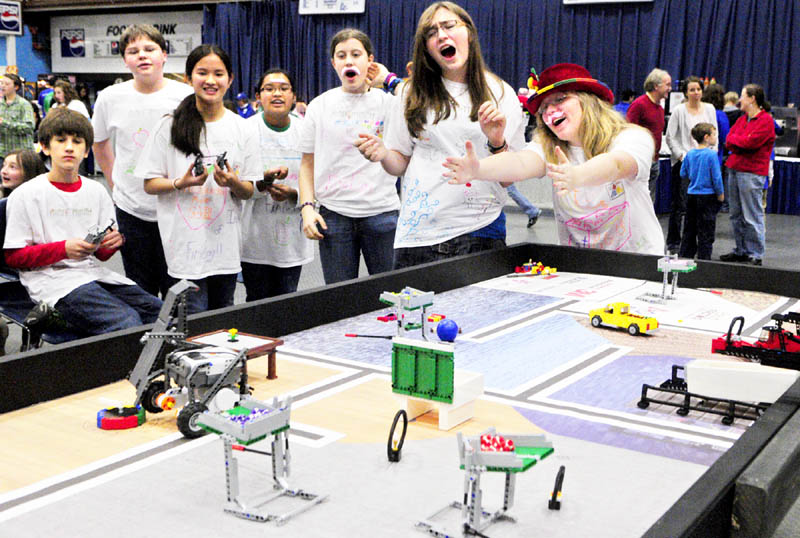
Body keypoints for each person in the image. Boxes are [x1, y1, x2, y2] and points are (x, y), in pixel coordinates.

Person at [354, 2, 525, 268]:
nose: (441, 35)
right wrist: (383, 154)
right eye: (431, 32)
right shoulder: (412, 94)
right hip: (417, 236)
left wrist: (497, 142)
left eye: (449, 26)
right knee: (414, 310)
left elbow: (509, 179)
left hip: (479, 230)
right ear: (426, 48)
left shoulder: (500, 93)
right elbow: (400, 162)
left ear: (469, 32)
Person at [442, 62, 665, 256]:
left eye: (560, 99)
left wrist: (578, 175)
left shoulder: (632, 137)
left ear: (588, 101)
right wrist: (478, 169)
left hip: (638, 263)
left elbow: (617, 164)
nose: (550, 111)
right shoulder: (549, 147)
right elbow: (519, 163)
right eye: (544, 108)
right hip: (581, 269)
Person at [3, 108, 162, 335]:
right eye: (61, 140)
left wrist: (110, 244)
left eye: (77, 142)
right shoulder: (26, 194)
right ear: (46, 147)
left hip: (91, 274)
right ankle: (119, 369)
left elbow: (100, 255)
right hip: (50, 281)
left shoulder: (96, 191)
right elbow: (14, 257)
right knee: (126, 322)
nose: (69, 147)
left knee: (160, 313)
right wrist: (63, 249)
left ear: (86, 151)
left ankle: (150, 370)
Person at [136, 44, 259, 313]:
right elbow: (149, 183)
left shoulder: (243, 128)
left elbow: (249, 190)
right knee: (191, 321)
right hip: (184, 249)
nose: (211, 80)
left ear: (230, 79)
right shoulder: (168, 125)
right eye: (202, 73)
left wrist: (233, 183)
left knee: (223, 315)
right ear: (188, 78)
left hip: (225, 248)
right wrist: (182, 183)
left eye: (219, 73)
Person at [92, 24, 193, 298]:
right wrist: (114, 182)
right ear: (125, 60)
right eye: (133, 51)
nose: (142, 56)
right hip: (131, 209)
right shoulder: (109, 98)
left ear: (164, 55)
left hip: (176, 205)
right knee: (140, 289)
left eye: (149, 49)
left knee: (178, 288)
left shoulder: (185, 96)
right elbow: (99, 143)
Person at [297, 28, 400, 283]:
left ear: (370, 61)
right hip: (335, 216)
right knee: (339, 300)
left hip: (383, 214)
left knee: (392, 294)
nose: (349, 61)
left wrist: (389, 80)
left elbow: (419, 103)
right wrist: (307, 209)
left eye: (356, 54)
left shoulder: (389, 103)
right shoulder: (319, 106)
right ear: (334, 63)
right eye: (341, 56)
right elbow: (306, 164)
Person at [241, 68, 313, 300]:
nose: (277, 94)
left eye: (284, 88)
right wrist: (262, 183)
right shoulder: (245, 130)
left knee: (287, 301)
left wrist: (294, 194)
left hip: (292, 238)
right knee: (256, 301)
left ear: (294, 96)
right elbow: (235, 183)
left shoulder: (306, 131)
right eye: (269, 89)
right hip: (253, 237)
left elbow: (319, 180)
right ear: (258, 97)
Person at [720, 84, 775, 266]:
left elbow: (749, 143)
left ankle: (755, 253)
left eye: (742, 97)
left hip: (751, 173)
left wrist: (738, 142)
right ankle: (741, 249)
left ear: (752, 98)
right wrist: (739, 142)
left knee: (752, 214)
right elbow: (729, 140)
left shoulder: (765, 121)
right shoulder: (742, 120)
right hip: (735, 169)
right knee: (736, 214)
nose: (739, 101)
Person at [664, 76, 717, 253]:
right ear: (686, 93)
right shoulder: (679, 110)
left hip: (704, 164)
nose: (696, 93)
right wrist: (683, 157)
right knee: (680, 204)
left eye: (698, 89)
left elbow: (714, 134)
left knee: (700, 206)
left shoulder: (709, 109)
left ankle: (699, 242)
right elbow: (671, 137)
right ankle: (674, 241)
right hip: (684, 163)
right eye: (692, 90)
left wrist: (710, 156)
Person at [678, 123, 724, 260]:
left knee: (689, 229)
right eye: (714, 134)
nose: (716, 137)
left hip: (692, 195)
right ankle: (704, 259)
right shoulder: (711, 155)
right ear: (707, 137)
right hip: (708, 197)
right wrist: (720, 194)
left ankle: (685, 257)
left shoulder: (690, 154)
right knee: (706, 230)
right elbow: (716, 178)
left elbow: (683, 173)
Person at [626, 68, 671, 203]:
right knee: (636, 201)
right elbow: (628, 133)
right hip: (639, 161)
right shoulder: (639, 105)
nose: (670, 88)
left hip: (653, 161)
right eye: (667, 84)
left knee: (648, 202)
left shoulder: (660, 109)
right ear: (656, 86)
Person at [0, 73, 36, 159]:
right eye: (1, 83)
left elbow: (29, 127)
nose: (3, 86)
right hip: (3, 153)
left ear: (16, 87)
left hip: (21, 153)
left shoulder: (24, 105)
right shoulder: (0, 104)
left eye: (7, 84)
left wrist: (5, 123)